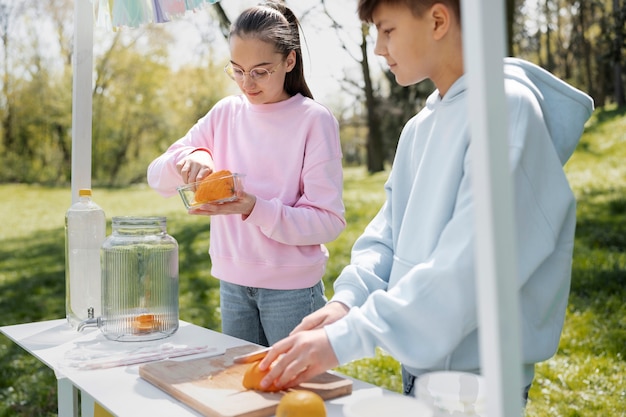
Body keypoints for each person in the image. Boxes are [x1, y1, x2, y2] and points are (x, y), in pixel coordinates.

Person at [257, 0, 594, 403]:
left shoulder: (505, 112)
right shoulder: (420, 126)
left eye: (388, 30)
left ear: (437, 20)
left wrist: (348, 339)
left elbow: (471, 267)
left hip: (480, 383)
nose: (380, 48)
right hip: (421, 372)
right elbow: (387, 235)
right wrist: (347, 303)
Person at [147, 2, 345, 347]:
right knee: (243, 393)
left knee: (297, 395)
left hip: (293, 291)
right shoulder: (225, 113)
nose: (246, 83)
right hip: (232, 285)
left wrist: (253, 207)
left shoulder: (314, 120)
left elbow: (329, 221)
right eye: (237, 70)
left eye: (260, 71)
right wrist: (194, 156)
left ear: (289, 61)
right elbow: (155, 175)